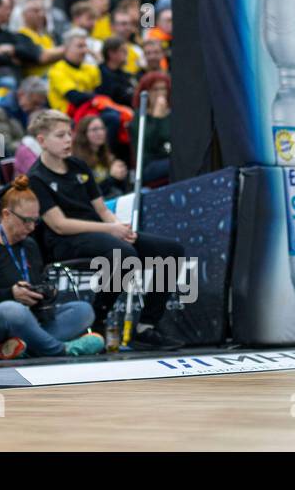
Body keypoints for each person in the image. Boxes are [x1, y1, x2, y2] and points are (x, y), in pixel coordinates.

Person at [26, 108, 185, 346]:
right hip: (65, 241)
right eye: (60, 136)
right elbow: (59, 225)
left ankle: (146, 327)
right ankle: (97, 321)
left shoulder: (79, 166)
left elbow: (101, 210)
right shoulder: (36, 177)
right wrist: (111, 230)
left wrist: (119, 227)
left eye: (69, 134)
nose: (68, 140)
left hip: (99, 234)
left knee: (171, 250)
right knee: (124, 254)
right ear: (42, 141)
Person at [0, 175, 104, 359]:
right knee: (12, 309)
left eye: (35, 221)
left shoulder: (29, 245)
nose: (31, 227)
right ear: (6, 215)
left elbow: (37, 286)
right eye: (26, 221)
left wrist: (46, 294)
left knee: (83, 310)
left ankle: (15, 350)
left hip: (29, 323)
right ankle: (61, 350)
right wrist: (11, 294)